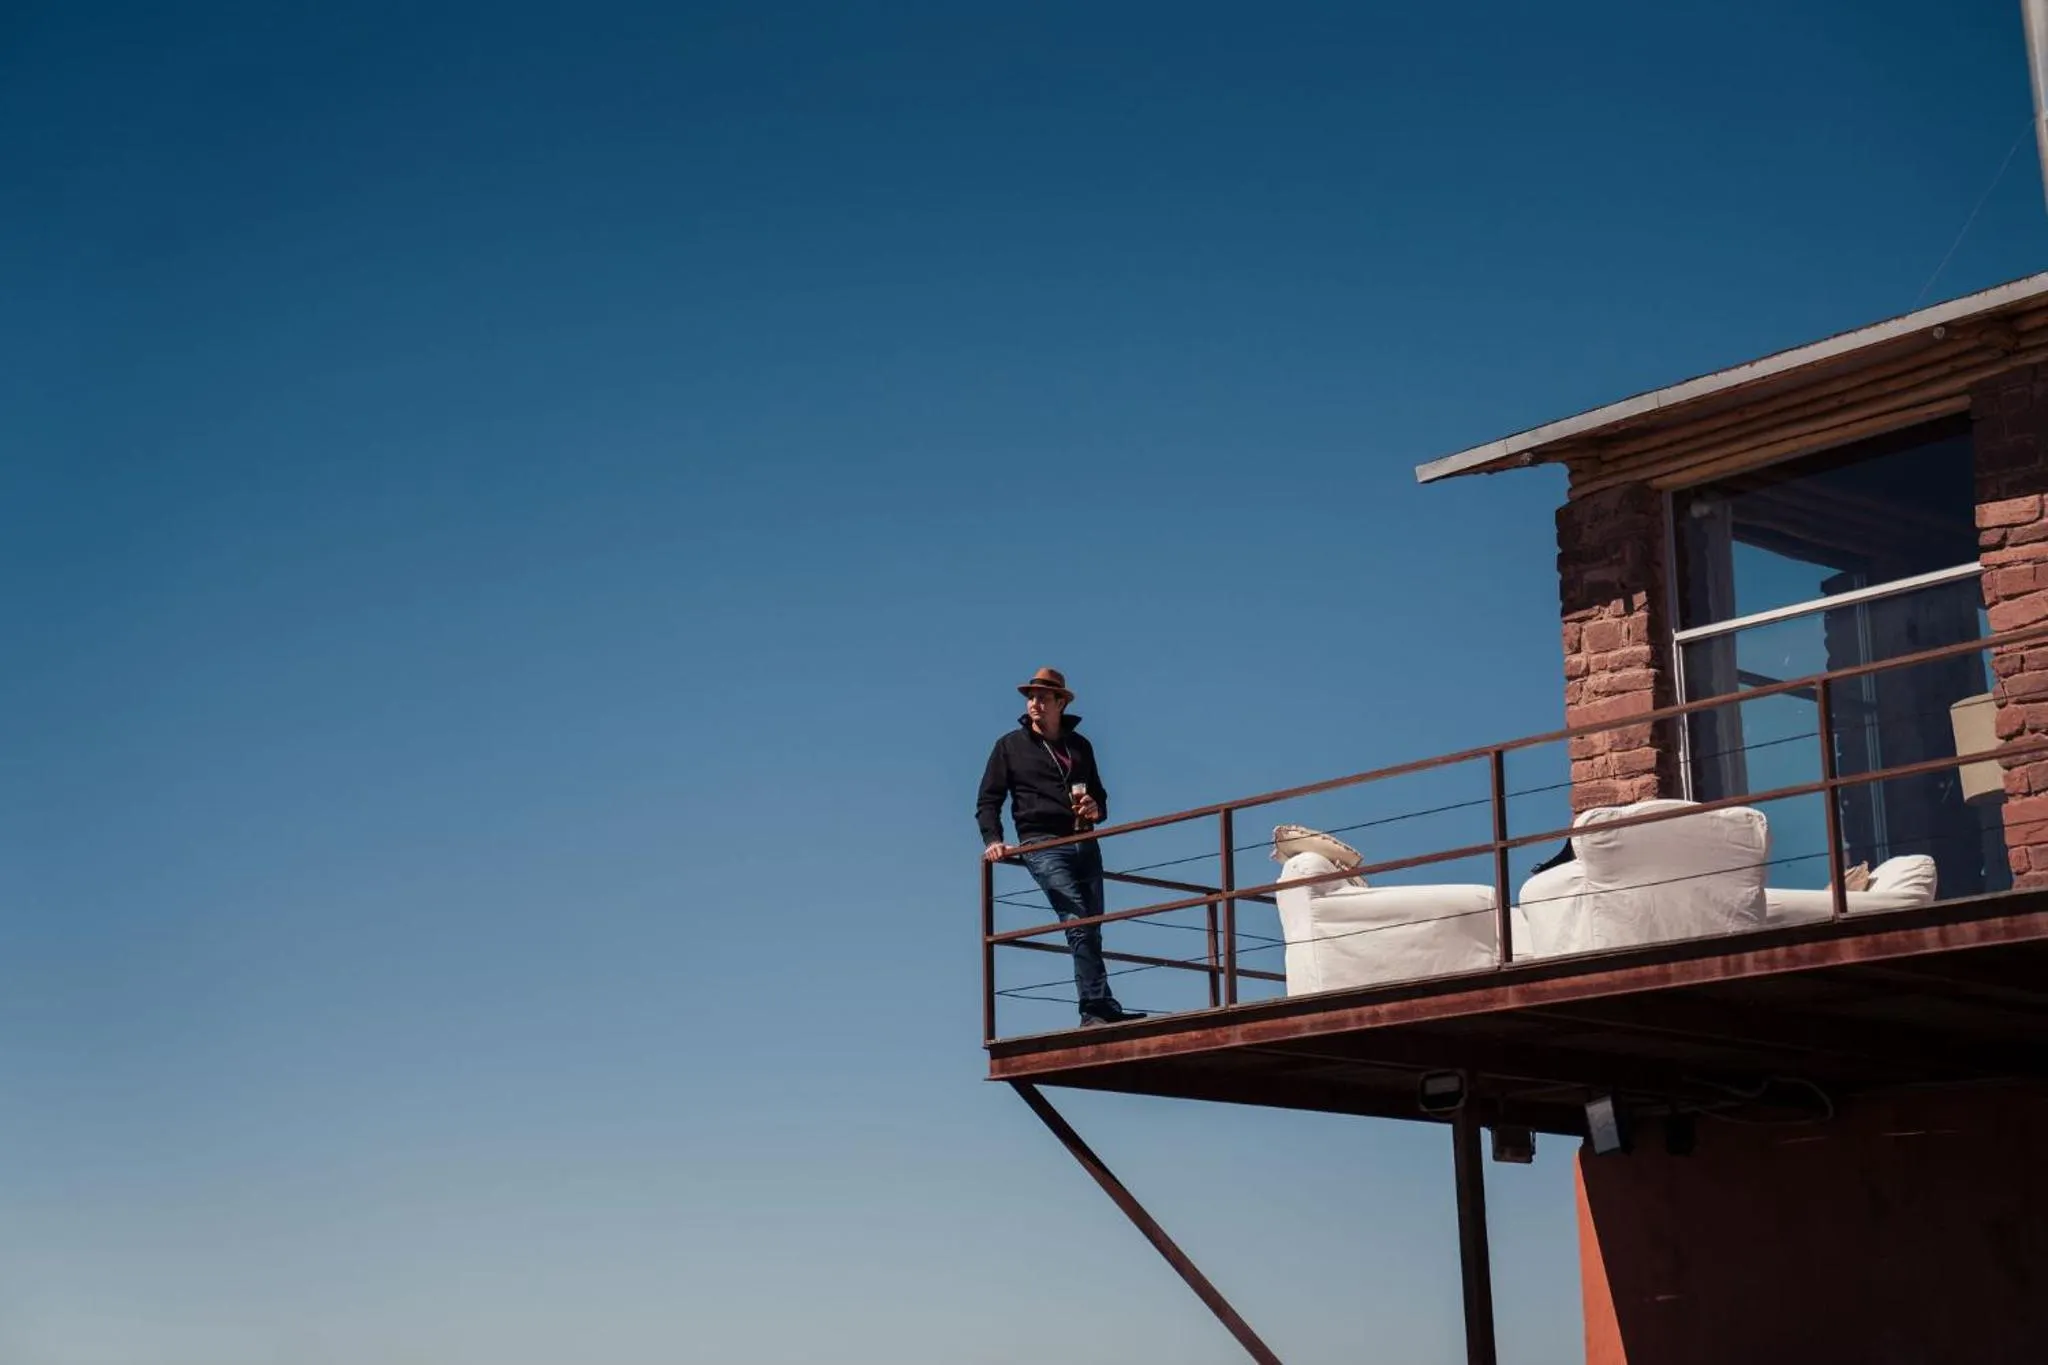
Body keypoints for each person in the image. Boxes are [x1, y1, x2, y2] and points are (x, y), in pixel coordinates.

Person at [977, 667, 1145, 1027]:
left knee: (1093, 924)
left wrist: (1096, 810)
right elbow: (988, 799)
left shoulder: (1080, 746)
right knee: (1078, 922)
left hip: (1084, 840)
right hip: (1041, 843)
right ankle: (1094, 1009)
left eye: (1042, 697)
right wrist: (993, 841)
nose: (1034, 703)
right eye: (1030, 696)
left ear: (1060, 703)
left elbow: (1100, 795)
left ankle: (1102, 1003)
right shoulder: (1009, 746)